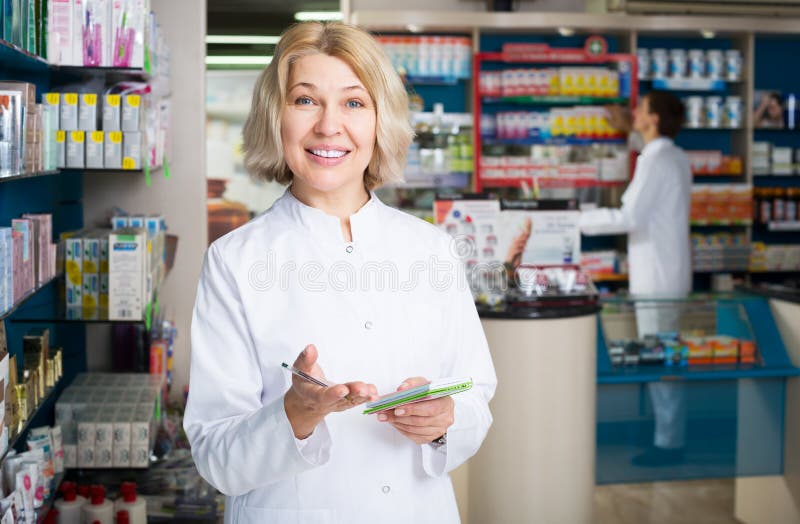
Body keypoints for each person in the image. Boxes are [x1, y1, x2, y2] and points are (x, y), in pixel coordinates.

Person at [184, 22, 497, 523]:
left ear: (380, 121)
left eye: (354, 103)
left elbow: (476, 395)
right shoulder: (234, 260)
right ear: (276, 118)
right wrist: (295, 415)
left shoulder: (432, 250)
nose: (329, 126)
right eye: (306, 100)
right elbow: (214, 454)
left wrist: (444, 421)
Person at [581, 91, 692, 466]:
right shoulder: (672, 156)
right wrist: (629, 131)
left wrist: (572, 219)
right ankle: (667, 433)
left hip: (658, 279)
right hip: (669, 272)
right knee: (665, 359)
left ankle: (669, 443)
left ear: (654, 118)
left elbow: (630, 218)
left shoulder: (655, 162)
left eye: (640, 109)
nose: (634, 113)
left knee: (662, 361)